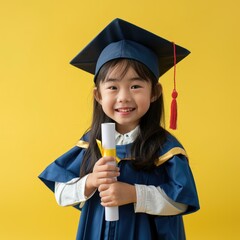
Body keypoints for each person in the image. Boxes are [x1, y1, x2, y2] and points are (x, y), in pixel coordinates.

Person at [39, 18, 200, 240]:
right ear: (98, 95)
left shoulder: (165, 148)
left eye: (135, 86)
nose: (124, 97)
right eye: (113, 87)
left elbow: (181, 201)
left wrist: (134, 194)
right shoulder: (90, 143)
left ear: (154, 92)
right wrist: (91, 181)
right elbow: (62, 193)